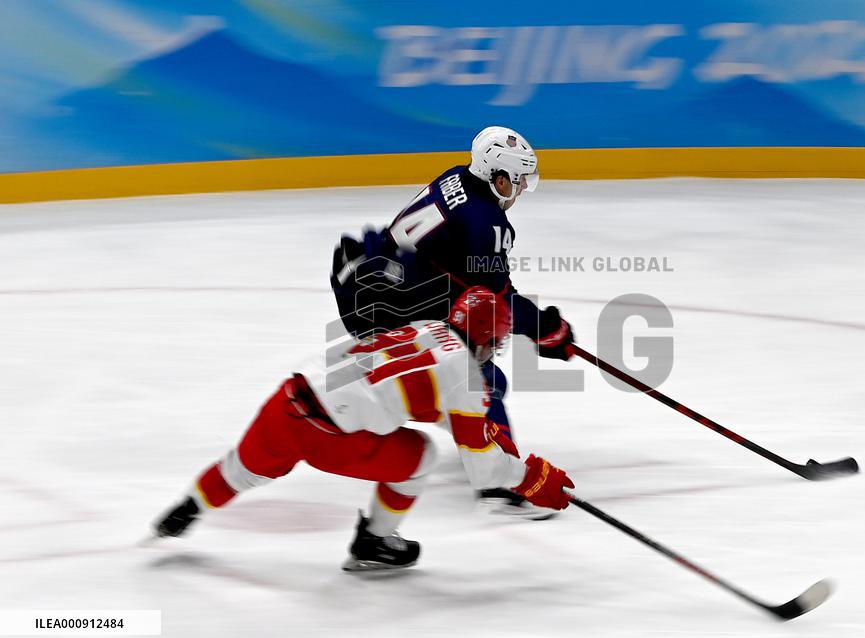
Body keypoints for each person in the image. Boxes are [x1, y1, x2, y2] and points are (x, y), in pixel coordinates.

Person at [153, 287, 575, 571]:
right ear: (487, 338)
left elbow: (418, 394)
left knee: (239, 470)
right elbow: (483, 472)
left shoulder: (428, 328)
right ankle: (376, 540)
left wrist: (481, 432)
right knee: (420, 456)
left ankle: (187, 508)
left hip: (288, 400)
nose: (494, 351)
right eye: (496, 342)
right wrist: (532, 477)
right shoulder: (466, 376)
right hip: (331, 437)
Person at [330, 126, 575, 516]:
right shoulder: (487, 224)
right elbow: (495, 303)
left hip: (369, 287)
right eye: (518, 181)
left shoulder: (457, 177)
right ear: (497, 178)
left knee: (473, 376)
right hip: (387, 309)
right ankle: (498, 480)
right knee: (481, 382)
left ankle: (471, 440)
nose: (521, 190)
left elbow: (469, 287)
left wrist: (539, 327)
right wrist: (548, 330)